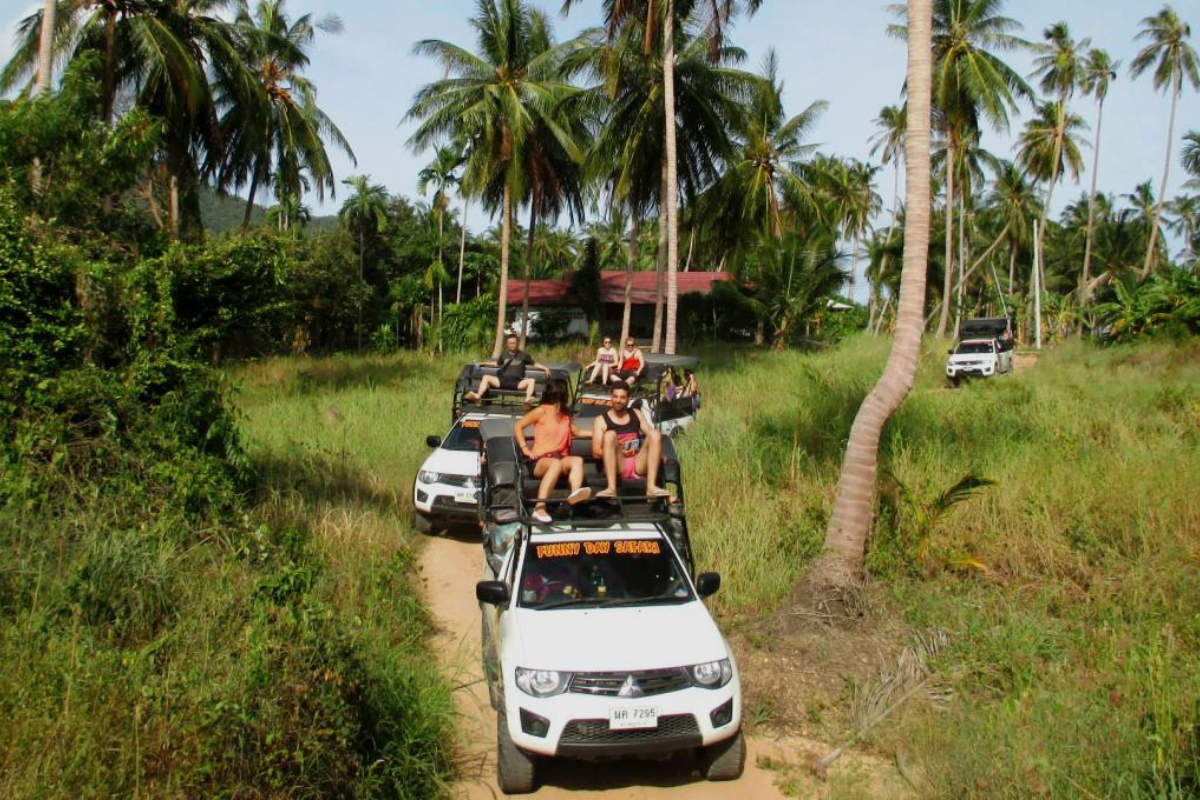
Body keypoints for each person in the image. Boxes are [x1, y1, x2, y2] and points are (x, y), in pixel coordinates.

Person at [513, 379, 592, 523]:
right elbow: (518, 426)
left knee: (577, 460)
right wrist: (525, 449)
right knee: (555, 463)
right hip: (540, 460)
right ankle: (539, 508)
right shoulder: (541, 410)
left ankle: (575, 495)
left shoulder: (565, 415)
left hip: (560, 458)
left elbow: (578, 432)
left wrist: (599, 433)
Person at [591, 384, 670, 499]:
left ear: (628, 399)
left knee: (654, 434)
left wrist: (661, 454)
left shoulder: (636, 414)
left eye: (622, 397)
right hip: (618, 464)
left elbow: (651, 436)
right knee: (610, 435)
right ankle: (611, 489)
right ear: (611, 397)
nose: (618, 400)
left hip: (637, 462)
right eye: (615, 396)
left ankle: (651, 488)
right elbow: (596, 452)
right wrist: (621, 451)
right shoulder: (601, 420)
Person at [466, 334, 550, 406]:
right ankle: (478, 396)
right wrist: (483, 363)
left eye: (513, 343)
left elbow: (534, 364)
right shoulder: (504, 354)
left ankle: (527, 400)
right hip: (502, 381)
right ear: (507, 344)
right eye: (510, 343)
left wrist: (545, 368)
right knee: (486, 377)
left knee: (531, 381)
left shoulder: (524, 355)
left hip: (516, 382)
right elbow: (497, 364)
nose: (512, 345)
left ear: (517, 343)